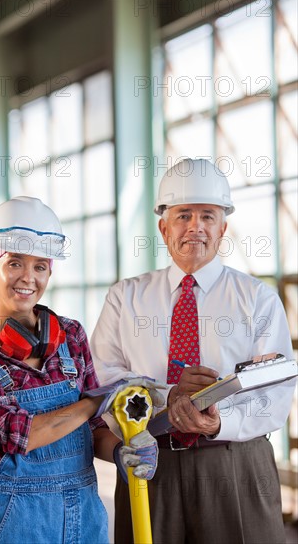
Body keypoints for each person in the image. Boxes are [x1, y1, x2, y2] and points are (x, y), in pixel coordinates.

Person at [90, 158, 296, 544]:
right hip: (150, 459)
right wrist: (171, 399)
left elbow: (277, 393)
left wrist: (218, 422)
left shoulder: (258, 300)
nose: (195, 227)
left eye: (207, 215)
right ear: (163, 227)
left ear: (223, 228)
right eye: (183, 215)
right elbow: (103, 380)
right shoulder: (125, 297)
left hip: (236, 462)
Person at [0, 196, 165, 544]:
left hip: (83, 510)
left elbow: (92, 431)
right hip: (13, 517)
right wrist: (99, 400)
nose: (27, 278)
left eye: (40, 266)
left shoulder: (71, 335)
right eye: (14, 263)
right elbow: (19, 434)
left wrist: (122, 451)